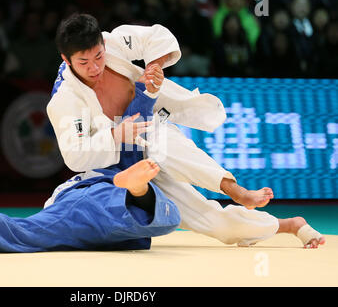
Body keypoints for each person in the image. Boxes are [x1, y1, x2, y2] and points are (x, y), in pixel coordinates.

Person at [46, 13, 325, 249]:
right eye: (84, 63)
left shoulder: (113, 42)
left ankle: (248, 198)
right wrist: (116, 135)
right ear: (66, 59)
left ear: (102, 44)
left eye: (98, 56)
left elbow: (157, 36)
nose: (95, 67)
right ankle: (284, 223)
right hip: (117, 167)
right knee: (211, 222)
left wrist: (154, 66)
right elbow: (75, 157)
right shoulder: (65, 100)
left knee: (163, 142)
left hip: (148, 131)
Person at [0, 158, 181, 252]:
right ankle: (138, 189)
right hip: (105, 195)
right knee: (167, 216)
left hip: (82, 201)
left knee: (24, 232)